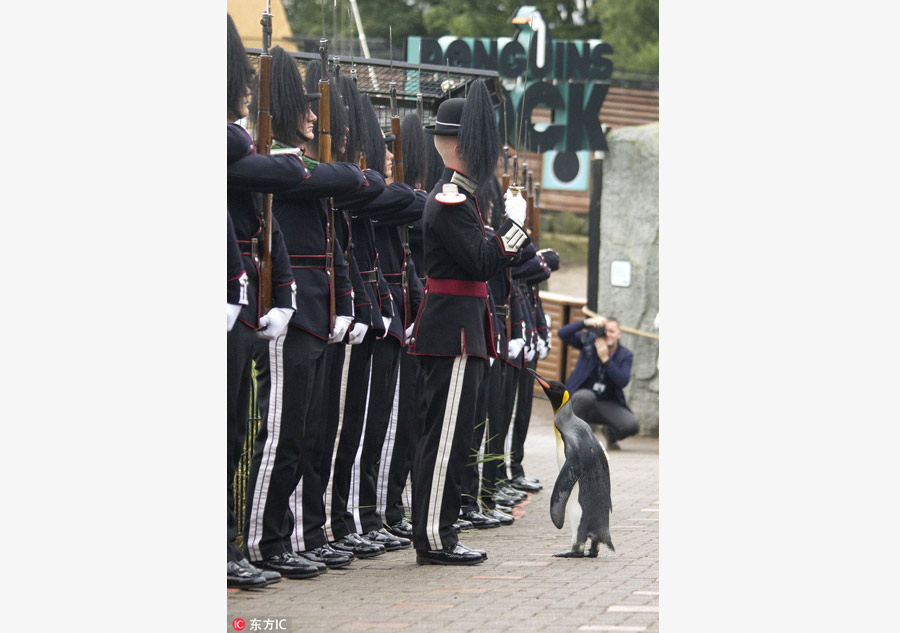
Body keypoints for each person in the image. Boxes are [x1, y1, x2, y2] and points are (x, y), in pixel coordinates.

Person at [408, 81, 531, 566]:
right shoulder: (451, 200)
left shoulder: (465, 198)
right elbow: (480, 263)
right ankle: (435, 537)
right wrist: (514, 230)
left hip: (462, 329)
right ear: (461, 146)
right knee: (445, 440)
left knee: (453, 437)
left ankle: (439, 531)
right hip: (453, 333)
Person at [556, 315, 640, 450]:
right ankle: (572, 439)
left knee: (631, 425)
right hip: (583, 399)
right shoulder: (589, 345)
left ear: (619, 334)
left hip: (607, 403)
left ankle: (610, 433)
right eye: (605, 330)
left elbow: (622, 381)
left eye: (612, 331)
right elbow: (562, 333)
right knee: (585, 397)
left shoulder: (625, 355)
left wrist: (606, 360)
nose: (608, 334)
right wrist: (586, 322)